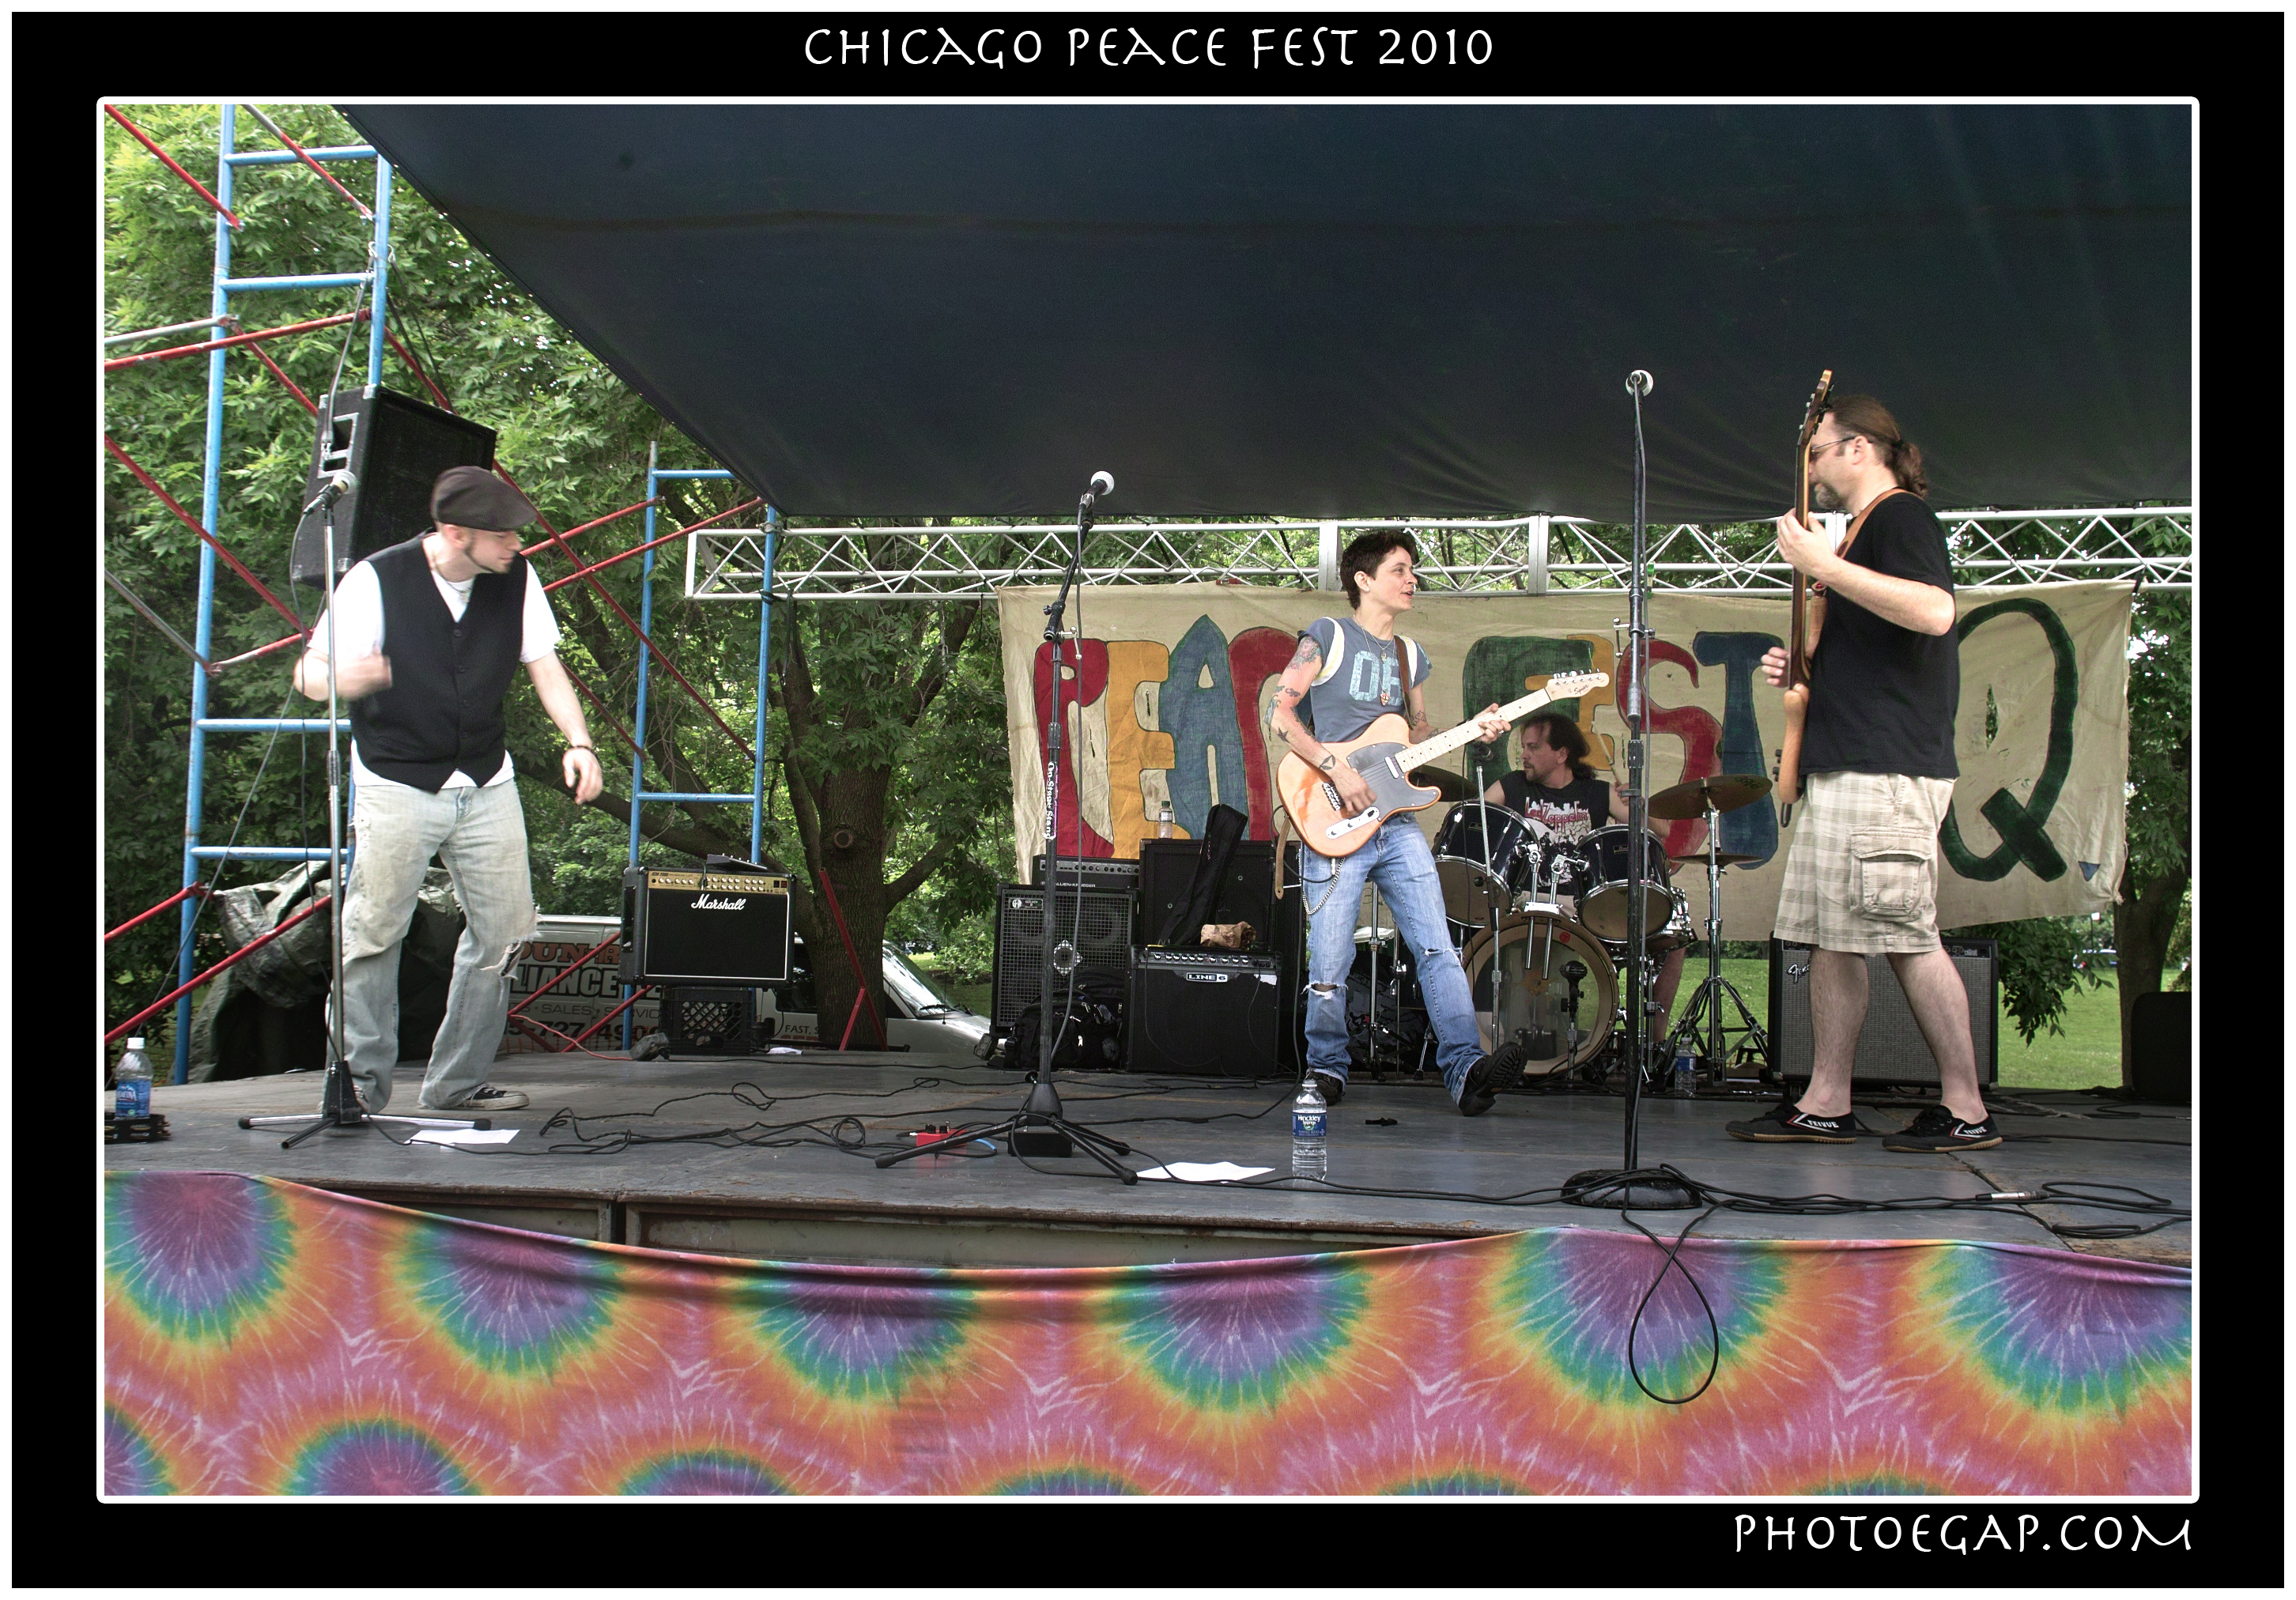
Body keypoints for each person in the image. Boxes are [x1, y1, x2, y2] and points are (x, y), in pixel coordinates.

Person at [1724, 395, 1996, 1153]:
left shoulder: (1900, 518)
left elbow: (1934, 612)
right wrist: (1805, 663)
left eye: (1816, 451)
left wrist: (1823, 567)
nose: (1808, 468)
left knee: (1907, 934)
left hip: (1885, 766)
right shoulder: (1862, 534)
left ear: (1859, 447)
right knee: (1831, 938)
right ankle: (1827, 1098)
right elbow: (1877, 648)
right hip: (1850, 762)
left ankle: (1967, 1106)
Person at [293, 466, 604, 1114]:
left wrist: (580, 743)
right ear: (457, 534)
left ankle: (456, 1084)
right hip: (397, 778)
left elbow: (545, 666)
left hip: (487, 777)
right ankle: (357, 1086)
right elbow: (308, 675)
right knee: (373, 933)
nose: (517, 543)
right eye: (504, 535)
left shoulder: (515, 577)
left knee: (507, 932)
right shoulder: (376, 579)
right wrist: (342, 678)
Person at [1270, 530, 1521, 1115]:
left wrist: (1475, 733)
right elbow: (1280, 713)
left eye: (1413, 570)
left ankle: (1466, 1071)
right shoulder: (1327, 635)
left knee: (1438, 947)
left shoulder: (1411, 655)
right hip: (1333, 813)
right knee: (1329, 961)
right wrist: (1337, 768)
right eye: (1400, 570)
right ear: (1364, 580)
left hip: (1396, 822)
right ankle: (1325, 1069)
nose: (1412, 579)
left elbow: (1417, 737)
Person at [1483, 711, 1686, 1042]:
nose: (1524, 755)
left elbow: (1660, 830)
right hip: (1528, 904)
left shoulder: (1597, 792)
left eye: (1533, 747)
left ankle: (1655, 1042)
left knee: (1673, 942)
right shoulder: (1512, 785)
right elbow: (1475, 819)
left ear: (1561, 754)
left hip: (1585, 908)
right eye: (1524, 747)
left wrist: (1638, 800)